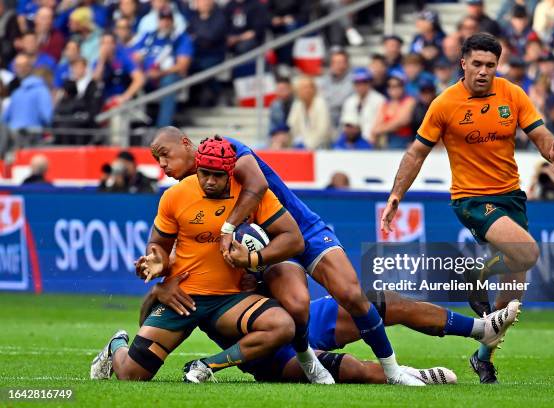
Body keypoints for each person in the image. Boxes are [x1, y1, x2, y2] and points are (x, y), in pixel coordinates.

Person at [148, 127, 428, 385]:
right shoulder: (185, 194)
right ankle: (308, 359)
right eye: (156, 160)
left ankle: (396, 371)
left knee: (354, 296)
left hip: (296, 230)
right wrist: (162, 281)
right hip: (266, 250)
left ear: (186, 144)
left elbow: (257, 185)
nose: (162, 166)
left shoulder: (226, 150)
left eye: (164, 156)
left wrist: (230, 232)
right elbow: (186, 254)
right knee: (296, 304)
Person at [380, 33, 554, 384]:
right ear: (463, 63)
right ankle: (477, 275)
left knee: (509, 305)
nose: (484, 71)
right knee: (526, 252)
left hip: (511, 196)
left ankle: (482, 358)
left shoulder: (511, 93)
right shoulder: (444, 104)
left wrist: (552, 152)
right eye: (477, 64)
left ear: (497, 66)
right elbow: (416, 153)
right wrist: (396, 195)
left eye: (490, 65)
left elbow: (538, 130)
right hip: (471, 199)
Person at [90, 137, 302, 383]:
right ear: (197, 168)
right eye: (204, 173)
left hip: (230, 301)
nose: (210, 181)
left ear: (230, 172)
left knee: (282, 326)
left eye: (218, 175)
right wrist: (157, 261)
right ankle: (117, 344)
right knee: (131, 375)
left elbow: (294, 239)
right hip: (182, 297)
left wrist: (253, 258)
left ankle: (206, 366)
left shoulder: (251, 196)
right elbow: (158, 244)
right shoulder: (176, 195)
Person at [149, 275, 520, 384]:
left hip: (303, 319)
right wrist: (156, 290)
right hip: (269, 354)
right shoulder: (198, 279)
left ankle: (480, 328)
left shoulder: (259, 244)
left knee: (380, 301)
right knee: (355, 371)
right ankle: (411, 376)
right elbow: (155, 313)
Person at [133, 6, 193, 127]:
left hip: (166, 76)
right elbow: (132, 54)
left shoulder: (180, 38)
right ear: (158, 21)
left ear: (172, 21)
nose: (165, 23)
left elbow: (182, 65)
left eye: (168, 19)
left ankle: (162, 129)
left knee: (169, 82)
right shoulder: (149, 36)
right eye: (162, 19)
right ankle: (133, 128)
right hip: (144, 75)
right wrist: (139, 65)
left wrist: (160, 73)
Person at [370, 70, 416, 149]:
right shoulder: (386, 104)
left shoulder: (410, 101)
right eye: (390, 86)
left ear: (403, 86)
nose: (393, 89)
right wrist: (379, 130)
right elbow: (375, 127)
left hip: (404, 141)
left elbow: (401, 121)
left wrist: (381, 129)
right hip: (388, 141)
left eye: (397, 85)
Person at [340, 67, 385, 143]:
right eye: (357, 82)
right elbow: (346, 126)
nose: (361, 86)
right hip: (352, 142)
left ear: (370, 83)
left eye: (364, 82)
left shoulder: (380, 100)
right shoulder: (349, 101)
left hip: (372, 142)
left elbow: (380, 125)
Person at [287, 76, 332, 149]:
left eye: (309, 87)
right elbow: (291, 126)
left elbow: (323, 131)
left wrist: (307, 144)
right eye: (303, 88)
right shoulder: (297, 104)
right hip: (301, 144)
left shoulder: (320, 103)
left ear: (314, 89)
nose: (307, 90)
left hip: (321, 145)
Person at [320, 48, 353, 129]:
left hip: (346, 120)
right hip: (327, 120)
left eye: (341, 62)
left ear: (347, 64)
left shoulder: (353, 80)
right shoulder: (324, 80)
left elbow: (341, 102)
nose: (338, 65)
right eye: (335, 62)